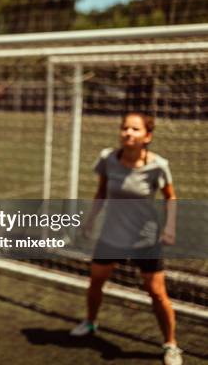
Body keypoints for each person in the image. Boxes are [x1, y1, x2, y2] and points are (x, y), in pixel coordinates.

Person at [70, 112, 182, 365]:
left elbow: (170, 198)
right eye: (124, 128)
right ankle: (90, 323)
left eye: (134, 129)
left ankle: (171, 345)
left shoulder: (158, 166)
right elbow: (100, 192)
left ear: (147, 136)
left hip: (145, 238)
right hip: (111, 235)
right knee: (96, 281)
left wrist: (170, 227)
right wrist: (89, 223)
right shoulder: (108, 159)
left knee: (156, 292)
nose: (128, 133)